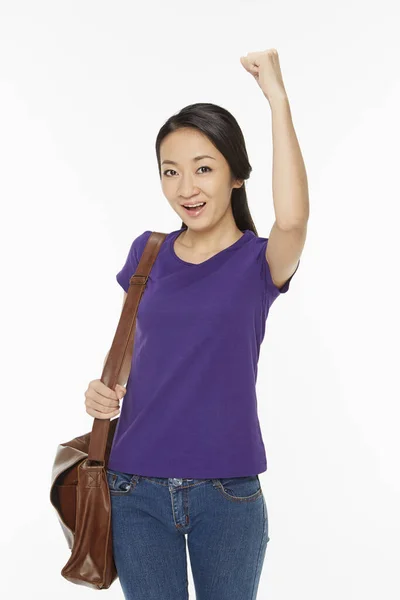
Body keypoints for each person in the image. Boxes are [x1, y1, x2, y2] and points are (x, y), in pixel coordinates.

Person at [84, 100, 308, 600]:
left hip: (227, 490)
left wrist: (276, 95)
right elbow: (144, 352)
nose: (186, 188)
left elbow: (292, 220)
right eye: (171, 172)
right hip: (133, 485)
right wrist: (100, 392)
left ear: (236, 175)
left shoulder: (260, 261)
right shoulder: (148, 251)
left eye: (203, 168)